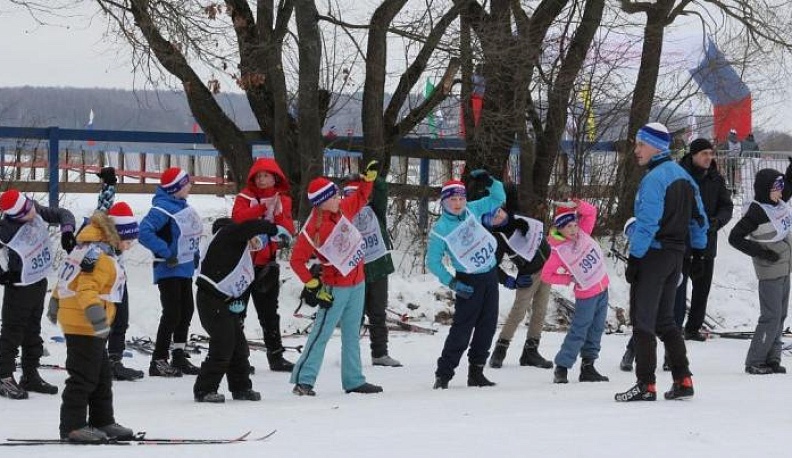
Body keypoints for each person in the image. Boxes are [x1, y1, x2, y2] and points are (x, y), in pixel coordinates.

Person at [615, 122, 708, 402]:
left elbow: (647, 224)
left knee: (643, 321)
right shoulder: (684, 176)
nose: (636, 150)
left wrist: (635, 257)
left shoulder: (654, 179)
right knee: (666, 321)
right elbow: (699, 218)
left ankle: (646, 385)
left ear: (657, 146)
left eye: (641, 145)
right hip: (676, 256)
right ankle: (683, 379)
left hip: (654, 255)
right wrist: (699, 253)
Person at [289, 162, 383, 396]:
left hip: (357, 283)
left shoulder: (342, 210)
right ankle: (304, 381)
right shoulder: (312, 229)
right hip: (334, 288)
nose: (338, 197)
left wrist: (368, 179)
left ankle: (354, 380)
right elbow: (296, 261)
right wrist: (313, 285)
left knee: (352, 334)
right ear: (321, 201)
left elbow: (361, 196)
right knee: (321, 335)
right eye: (333, 195)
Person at [51, 202, 138, 442]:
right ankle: (73, 425)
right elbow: (85, 288)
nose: (130, 246)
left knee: (101, 376)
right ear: (118, 235)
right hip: (84, 324)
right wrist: (99, 321)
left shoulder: (90, 249)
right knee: (83, 376)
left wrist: (55, 302)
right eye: (129, 240)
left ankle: (103, 420)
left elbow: (66, 276)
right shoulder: (99, 257)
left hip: (86, 322)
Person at [426, 170, 506, 389]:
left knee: (487, 326)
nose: (458, 203)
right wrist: (452, 282)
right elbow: (432, 262)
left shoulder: (473, 210)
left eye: (461, 198)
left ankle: (476, 371)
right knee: (462, 329)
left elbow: (498, 198)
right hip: (468, 281)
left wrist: (491, 181)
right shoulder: (440, 230)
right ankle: (444, 375)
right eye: (453, 199)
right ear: (444, 202)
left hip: (489, 276)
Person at [192, 217, 279, 403]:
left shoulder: (233, 251)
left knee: (239, 346)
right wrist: (272, 228)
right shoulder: (226, 234)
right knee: (223, 344)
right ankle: (204, 389)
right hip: (211, 300)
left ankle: (241, 387)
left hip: (223, 301)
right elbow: (248, 225)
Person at [0, 190, 76, 400]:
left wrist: (68, 231)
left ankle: (30, 375)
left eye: (30, 207)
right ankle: (4, 376)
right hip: (19, 287)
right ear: (15, 216)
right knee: (12, 334)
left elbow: (64, 214)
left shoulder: (33, 208)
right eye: (26, 213)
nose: (32, 212)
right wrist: (2, 275)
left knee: (33, 331)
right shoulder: (5, 229)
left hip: (38, 281)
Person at [231, 158, 296, 372]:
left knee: (269, 313)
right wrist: (260, 209)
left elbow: (286, 229)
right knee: (238, 311)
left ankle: (276, 356)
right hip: (241, 265)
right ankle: (238, 358)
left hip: (266, 264)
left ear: (275, 177)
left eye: (266, 175)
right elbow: (237, 218)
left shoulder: (282, 200)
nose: (261, 179)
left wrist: (275, 215)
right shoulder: (244, 197)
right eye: (258, 176)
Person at [728, 167, 792, 375]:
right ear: (766, 189)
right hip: (769, 269)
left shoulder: (777, 202)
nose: (781, 191)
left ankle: (772, 358)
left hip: (784, 267)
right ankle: (755, 360)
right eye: (777, 187)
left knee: (780, 315)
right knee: (771, 315)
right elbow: (734, 238)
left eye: (781, 186)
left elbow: (790, 184)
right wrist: (761, 252)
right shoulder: (756, 212)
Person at [139, 167, 202, 377]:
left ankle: (179, 354)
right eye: (186, 183)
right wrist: (166, 252)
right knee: (172, 313)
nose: (190, 186)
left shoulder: (183, 206)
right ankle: (158, 359)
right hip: (169, 268)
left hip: (184, 268)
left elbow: (188, 234)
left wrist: (195, 253)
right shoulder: (162, 209)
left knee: (187, 311)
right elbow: (143, 232)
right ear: (176, 188)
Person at [541, 200, 610, 384]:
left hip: (602, 287)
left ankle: (588, 366)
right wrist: (569, 279)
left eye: (574, 225)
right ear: (559, 228)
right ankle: (562, 367)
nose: (573, 230)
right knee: (580, 330)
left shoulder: (583, 233)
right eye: (567, 227)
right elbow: (546, 275)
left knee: (596, 329)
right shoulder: (557, 250)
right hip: (586, 294)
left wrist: (577, 205)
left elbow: (591, 212)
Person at [674, 139, 734, 341]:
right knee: (678, 291)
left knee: (702, 289)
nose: (708, 157)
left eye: (711, 153)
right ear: (693, 155)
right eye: (704, 154)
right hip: (682, 242)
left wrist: (717, 222)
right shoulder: (680, 175)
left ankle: (693, 328)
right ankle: (673, 328)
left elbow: (727, 206)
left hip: (707, 241)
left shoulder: (716, 178)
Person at [481, 206, 553, 370]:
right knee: (518, 312)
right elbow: (492, 266)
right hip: (528, 276)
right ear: (490, 225)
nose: (499, 216)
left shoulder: (521, 217)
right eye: (493, 218)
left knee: (540, 311)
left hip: (548, 268)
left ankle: (530, 352)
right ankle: (500, 349)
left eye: (499, 212)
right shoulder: (498, 238)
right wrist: (509, 281)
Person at [342, 175, 402, 367]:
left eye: (359, 195)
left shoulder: (375, 210)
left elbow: (382, 191)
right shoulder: (342, 215)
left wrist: (372, 180)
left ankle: (380, 353)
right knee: (354, 315)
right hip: (354, 272)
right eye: (350, 196)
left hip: (378, 267)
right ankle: (351, 355)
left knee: (378, 312)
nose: (356, 201)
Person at [93, 166, 144, 381]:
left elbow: (106, 203)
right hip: (102, 284)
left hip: (119, 280)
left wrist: (110, 185)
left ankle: (115, 360)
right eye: (127, 240)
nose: (130, 244)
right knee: (103, 322)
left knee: (121, 320)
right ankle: (96, 360)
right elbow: (102, 208)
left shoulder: (120, 238)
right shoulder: (99, 236)